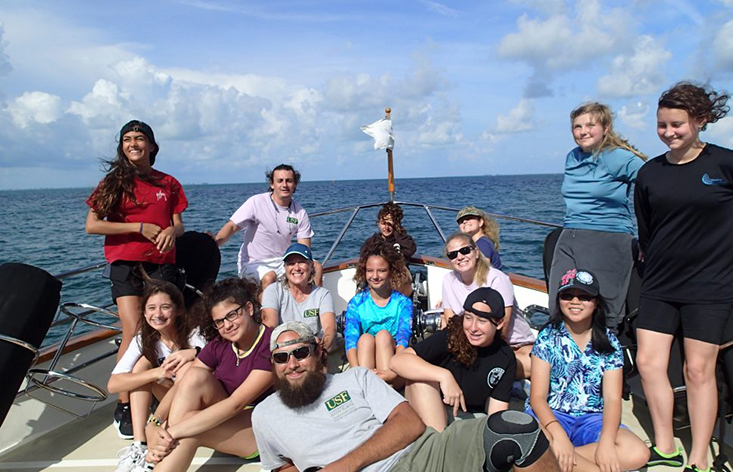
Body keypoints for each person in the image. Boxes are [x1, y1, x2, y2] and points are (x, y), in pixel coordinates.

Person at [252, 321, 561, 472]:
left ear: (319, 353)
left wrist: (342, 467)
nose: (292, 364)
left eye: (300, 353)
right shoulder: (264, 417)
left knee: (516, 428)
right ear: (273, 365)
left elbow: (410, 423)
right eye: (281, 358)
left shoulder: (356, 378)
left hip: (421, 455)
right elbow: (281, 467)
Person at [634, 82, 732, 472]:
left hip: (711, 285)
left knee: (697, 370)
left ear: (700, 121)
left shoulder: (724, 164)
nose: (669, 133)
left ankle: (698, 460)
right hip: (659, 282)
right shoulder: (649, 173)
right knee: (649, 363)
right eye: (662, 125)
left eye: (677, 125)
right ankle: (665, 446)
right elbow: (646, 232)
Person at [85, 120, 188, 437]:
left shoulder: (168, 183)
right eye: (127, 139)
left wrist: (172, 231)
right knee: (133, 331)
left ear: (152, 146)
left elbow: (179, 224)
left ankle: (166, 393)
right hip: (125, 263)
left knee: (166, 328)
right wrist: (138, 228)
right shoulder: (113, 183)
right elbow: (93, 225)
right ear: (122, 146)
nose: (133, 144)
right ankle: (125, 402)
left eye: (140, 138)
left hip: (161, 264)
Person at [142, 278, 273, 472]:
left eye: (232, 315)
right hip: (226, 423)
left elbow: (235, 403)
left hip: (258, 430)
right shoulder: (221, 344)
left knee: (190, 432)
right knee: (192, 374)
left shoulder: (270, 344)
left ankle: (159, 457)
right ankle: (164, 452)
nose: (227, 325)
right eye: (219, 321)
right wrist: (154, 423)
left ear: (249, 308)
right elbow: (184, 383)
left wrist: (170, 432)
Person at [528, 268, 649, 472]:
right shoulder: (547, 337)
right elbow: (537, 398)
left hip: (592, 419)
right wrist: (558, 435)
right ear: (559, 300)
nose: (575, 301)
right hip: (552, 416)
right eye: (567, 295)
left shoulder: (610, 342)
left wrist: (607, 442)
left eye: (584, 296)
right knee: (538, 441)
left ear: (596, 303)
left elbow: (612, 398)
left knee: (638, 452)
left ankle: (556, 461)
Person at [547, 103, 647, 331]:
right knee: (559, 304)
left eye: (590, 125)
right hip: (569, 235)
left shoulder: (618, 157)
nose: (583, 131)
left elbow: (653, 187)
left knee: (605, 312)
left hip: (608, 237)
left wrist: (647, 235)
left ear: (606, 127)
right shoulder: (572, 157)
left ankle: (606, 361)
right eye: (577, 126)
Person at [109, 281, 206, 472]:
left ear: (178, 310)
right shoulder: (143, 340)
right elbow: (113, 384)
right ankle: (139, 446)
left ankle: (161, 443)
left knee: (187, 368)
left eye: (165, 307)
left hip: (199, 400)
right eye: (151, 308)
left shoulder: (193, 333)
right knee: (140, 368)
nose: (158, 314)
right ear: (144, 313)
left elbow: (217, 361)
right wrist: (157, 372)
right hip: (170, 402)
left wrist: (194, 352)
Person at [390, 287, 516, 432]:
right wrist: (444, 376)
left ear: (499, 323)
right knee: (420, 380)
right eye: (468, 318)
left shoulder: (505, 357)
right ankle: (438, 445)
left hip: (469, 418)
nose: (473, 328)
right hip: (429, 407)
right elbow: (397, 361)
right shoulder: (451, 336)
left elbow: (496, 414)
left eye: (482, 321)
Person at [213, 164, 321, 290]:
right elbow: (232, 227)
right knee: (270, 277)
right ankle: (263, 309)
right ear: (272, 184)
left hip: (282, 261)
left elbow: (304, 249)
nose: (284, 185)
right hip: (253, 262)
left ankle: (316, 306)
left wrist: (303, 268)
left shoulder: (300, 212)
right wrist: (213, 244)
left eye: (289, 181)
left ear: (295, 184)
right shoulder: (256, 202)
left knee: (317, 268)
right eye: (280, 181)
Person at [442, 232, 534, 379]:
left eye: (465, 250)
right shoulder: (448, 280)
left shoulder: (497, 279)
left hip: (513, 345)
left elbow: (502, 327)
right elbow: (450, 321)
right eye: (453, 255)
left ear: (476, 252)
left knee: (533, 366)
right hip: (472, 343)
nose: (459, 257)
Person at [345, 240, 412, 383]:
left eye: (381, 270)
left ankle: (386, 386)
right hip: (364, 367)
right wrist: (356, 370)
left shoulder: (403, 303)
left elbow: (403, 338)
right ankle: (364, 383)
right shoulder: (356, 303)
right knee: (365, 339)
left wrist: (391, 373)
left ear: (391, 271)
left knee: (383, 336)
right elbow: (351, 340)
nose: (375, 276)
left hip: (394, 369)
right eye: (370, 271)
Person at [261, 242, 336, 355]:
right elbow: (270, 326)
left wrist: (322, 348)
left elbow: (330, 328)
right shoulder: (273, 291)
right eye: (291, 264)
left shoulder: (322, 294)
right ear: (285, 268)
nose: (296, 268)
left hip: (314, 349)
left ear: (311, 266)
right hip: (283, 349)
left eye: (301, 262)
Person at [362, 202, 417, 296]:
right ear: (378, 224)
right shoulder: (372, 242)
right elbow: (363, 258)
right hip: (379, 277)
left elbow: (411, 249)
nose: (386, 228)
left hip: (399, 279)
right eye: (383, 223)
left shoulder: (403, 240)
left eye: (390, 224)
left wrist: (398, 232)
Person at [456, 206, 504, 271]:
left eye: (469, 218)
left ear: (480, 222)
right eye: (461, 221)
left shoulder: (483, 243)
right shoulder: (479, 242)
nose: (464, 221)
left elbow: (482, 271)